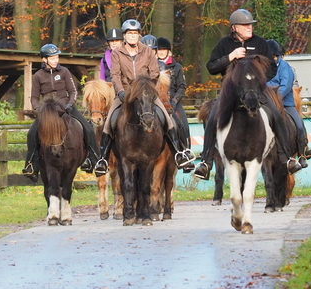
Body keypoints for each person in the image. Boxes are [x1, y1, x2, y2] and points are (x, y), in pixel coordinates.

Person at [192, 9, 302, 180]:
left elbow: (272, 69)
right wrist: (230, 57)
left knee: (277, 115)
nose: (250, 27)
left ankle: (286, 157)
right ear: (234, 27)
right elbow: (211, 67)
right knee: (213, 117)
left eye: (250, 24)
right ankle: (206, 162)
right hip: (231, 92)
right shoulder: (224, 44)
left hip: (256, 90)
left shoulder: (260, 43)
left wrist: (258, 75)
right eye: (245, 25)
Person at [93, 19, 195, 176]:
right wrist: (120, 91)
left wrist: (147, 88)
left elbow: (154, 73)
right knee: (109, 121)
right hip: (125, 94)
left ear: (139, 35)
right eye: (129, 33)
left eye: (135, 33)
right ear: (125, 36)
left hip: (146, 93)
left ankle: (179, 153)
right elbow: (114, 75)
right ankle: (102, 159)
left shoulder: (147, 51)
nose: (133, 36)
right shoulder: (117, 53)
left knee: (168, 119)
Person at [22, 44, 101, 181]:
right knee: (31, 134)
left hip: (66, 107)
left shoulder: (64, 71)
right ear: (44, 59)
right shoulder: (38, 76)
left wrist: (71, 104)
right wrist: (38, 110)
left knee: (88, 128)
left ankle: (95, 161)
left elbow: (73, 91)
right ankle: (31, 165)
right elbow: (34, 97)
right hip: (47, 112)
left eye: (57, 57)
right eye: (52, 58)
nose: (55, 60)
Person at [266, 39, 311, 168]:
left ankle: (303, 152)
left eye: (274, 56)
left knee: (298, 125)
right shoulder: (262, 67)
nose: (272, 59)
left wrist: (275, 99)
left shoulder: (285, 67)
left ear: (278, 56)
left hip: (285, 103)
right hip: (265, 103)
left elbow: (286, 85)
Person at [155, 37, 193, 171]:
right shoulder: (151, 65)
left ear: (168, 51)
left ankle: (185, 153)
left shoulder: (176, 67)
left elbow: (182, 86)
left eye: (163, 49)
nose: (161, 52)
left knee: (182, 124)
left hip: (172, 101)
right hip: (156, 101)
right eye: (159, 50)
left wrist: (175, 100)